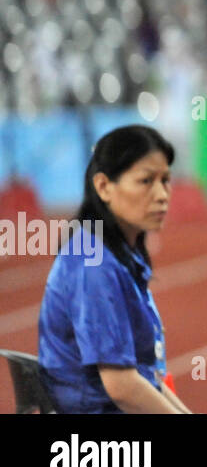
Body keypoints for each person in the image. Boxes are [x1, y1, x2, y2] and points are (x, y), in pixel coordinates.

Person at [38, 125, 193, 413]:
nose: (162, 194)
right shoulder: (94, 265)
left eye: (166, 180)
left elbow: (148, 378)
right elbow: (122, 386)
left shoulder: (117, 252)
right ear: (104, 187)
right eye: (146, 181)